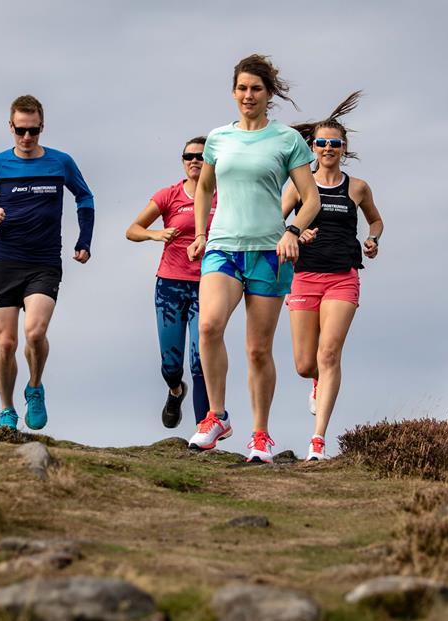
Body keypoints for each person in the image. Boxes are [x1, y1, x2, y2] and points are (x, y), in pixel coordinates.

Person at [185, 54, 321, 463]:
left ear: (269, 94)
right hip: (223, 247)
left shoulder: (286, 141)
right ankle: (216, 416)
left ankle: (260, 436)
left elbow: (310, 198)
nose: (248, 95)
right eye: (242, 88)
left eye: (256, 89)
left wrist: (292, 231)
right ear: (233, 92)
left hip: (268, 252)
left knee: (257, 350)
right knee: (208, 327)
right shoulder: (217, 139)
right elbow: (204, 188)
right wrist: (201, 234)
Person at [0, 95, 95, 431]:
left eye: (33, 131)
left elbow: (85, 196)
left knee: (34, 333)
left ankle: (34, 387)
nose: (26, 137)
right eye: (20, 130)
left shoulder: (60, 162)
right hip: (5, 262)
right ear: (11, 126)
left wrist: (84, 241)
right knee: (6, 343)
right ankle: (7, 408)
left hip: (44, 262)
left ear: (42, 127)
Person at [284, 93, 384, 461]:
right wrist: (294, 231)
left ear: (344, 148)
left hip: (343, 276)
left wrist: (372, 239)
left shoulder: (357, 187)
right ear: (312, 147)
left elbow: (376, 219)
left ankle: (318, 439)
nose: (328, 148)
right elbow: (275, 221)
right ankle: (315, 382)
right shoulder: (298, 187)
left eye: (335, 143)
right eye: (322, 143)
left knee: (329, 353)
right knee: (305, 364)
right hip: (305, 276)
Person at [126, 136, 216, 429]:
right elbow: (133, 230)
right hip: (170, 285)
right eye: (189, 156)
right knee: (171, 364)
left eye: (201, 157)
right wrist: (156, 234)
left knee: (199, 359)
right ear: (182, 161)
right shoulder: (169, 195)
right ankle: (176, 391)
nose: (194, 161)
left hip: (209, 285)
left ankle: (204, 428)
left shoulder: (223, 196)